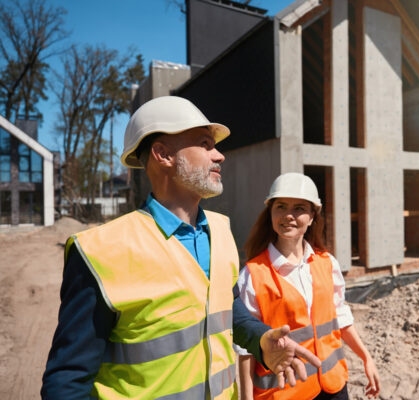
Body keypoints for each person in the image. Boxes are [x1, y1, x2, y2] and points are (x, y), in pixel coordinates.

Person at [41, 96, 320, 399]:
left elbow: (225, 307)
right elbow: (67, 381)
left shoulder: (220, 230)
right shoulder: (100, 251)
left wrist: (260, 339)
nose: (219, 156)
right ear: (163, 155)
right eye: (204, 144)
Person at [236, 173, 380, 400]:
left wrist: (366, 357)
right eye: (280, 207)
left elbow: (340, 318)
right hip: (284, 393)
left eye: (299, 208)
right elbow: (245, 348)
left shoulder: (326, 263)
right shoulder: (252, 275)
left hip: (333, 386)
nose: (288, 216)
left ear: (313, 216)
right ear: (270, 214)